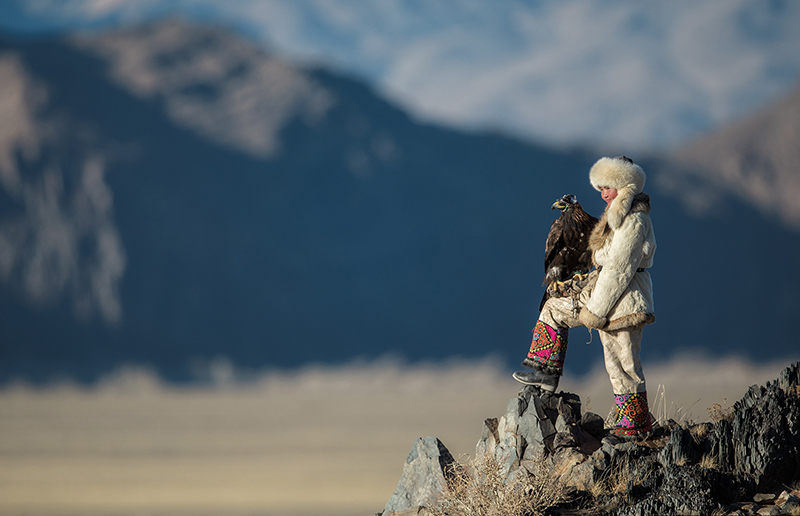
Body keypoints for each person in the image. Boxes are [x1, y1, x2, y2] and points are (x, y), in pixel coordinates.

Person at [513, 156, 656, 438]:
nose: (603, 194)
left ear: (624, 185)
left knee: (624, 365)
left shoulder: (634, 220)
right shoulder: (615, 215)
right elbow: (604, 266)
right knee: (553, 307)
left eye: (609, 187)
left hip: (624, 300)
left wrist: (596, 311)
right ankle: (545, 372)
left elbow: (619, 269)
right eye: (600, 187)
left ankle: (634, 429)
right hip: (602, 290)